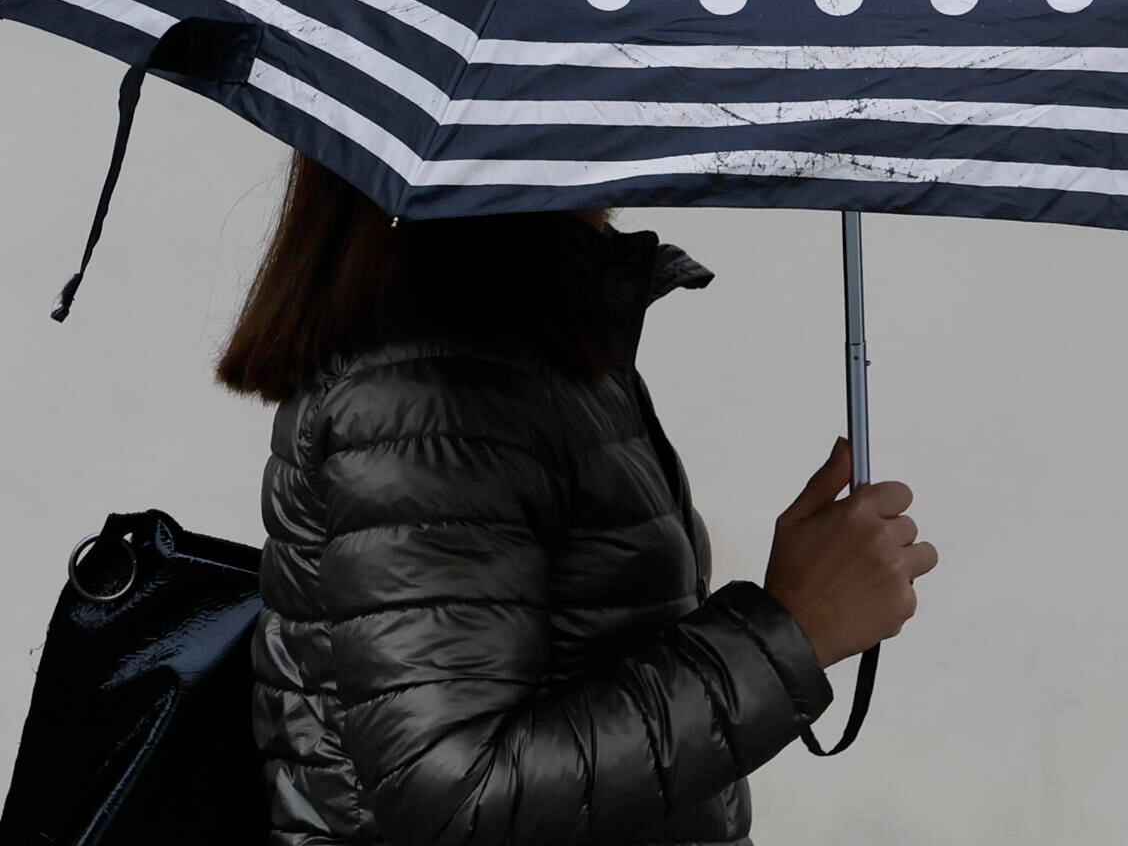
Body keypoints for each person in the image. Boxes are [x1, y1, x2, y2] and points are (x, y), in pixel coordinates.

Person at [219, 152, 937, 846]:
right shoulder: (433, 394)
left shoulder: (529, 352)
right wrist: (789, 633)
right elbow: (458, 799)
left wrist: (789, 622)